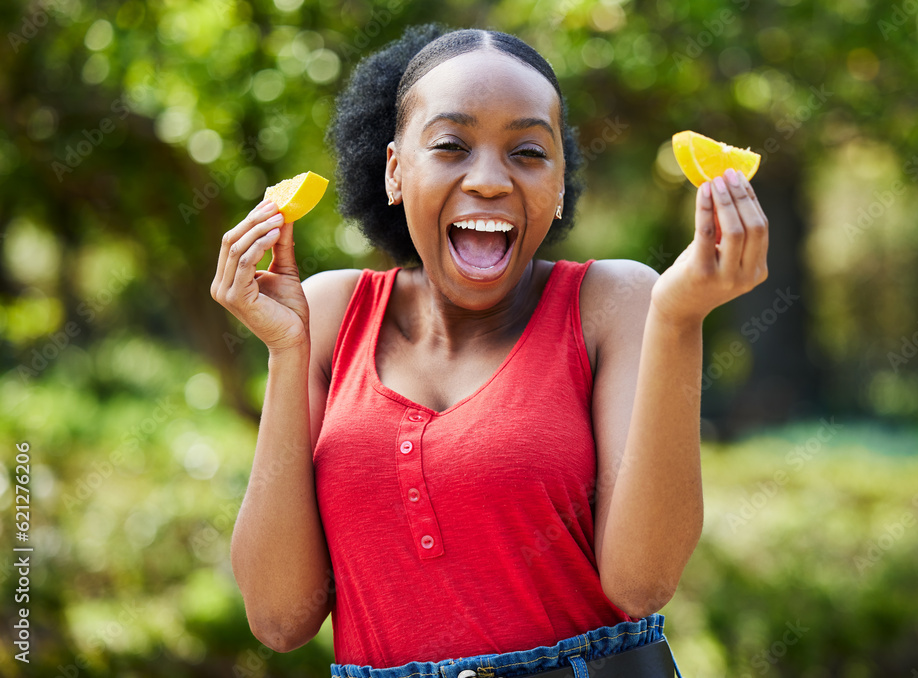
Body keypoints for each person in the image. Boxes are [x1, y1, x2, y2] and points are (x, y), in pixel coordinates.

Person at [210, 23, 769, 678]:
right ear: (395, 170)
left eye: (528, 153)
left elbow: (641, 585)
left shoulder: (614, 303)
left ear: (560, 182)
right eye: (451, 145)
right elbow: (279, 618)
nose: (489, 180)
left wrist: (679, 319)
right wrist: (285, 351)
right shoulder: (330, 314)